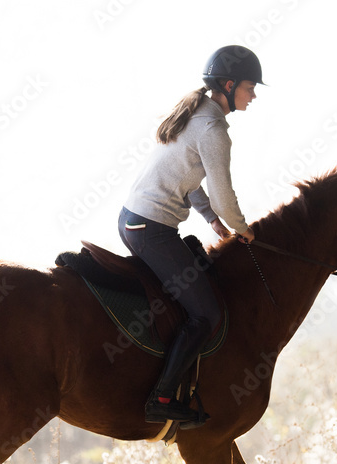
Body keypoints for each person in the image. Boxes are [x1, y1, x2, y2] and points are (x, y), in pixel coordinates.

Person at [118, 45, 263, 425]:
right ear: (229, 85)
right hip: (150, 229)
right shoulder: (213, 129)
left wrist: (211, 219)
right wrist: (242, 229)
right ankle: (162, 398)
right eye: (250, 87)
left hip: (135, 220)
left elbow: (193, 182)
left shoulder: (197, 115)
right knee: (207, 312)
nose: (254, 95)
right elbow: (223, 192)